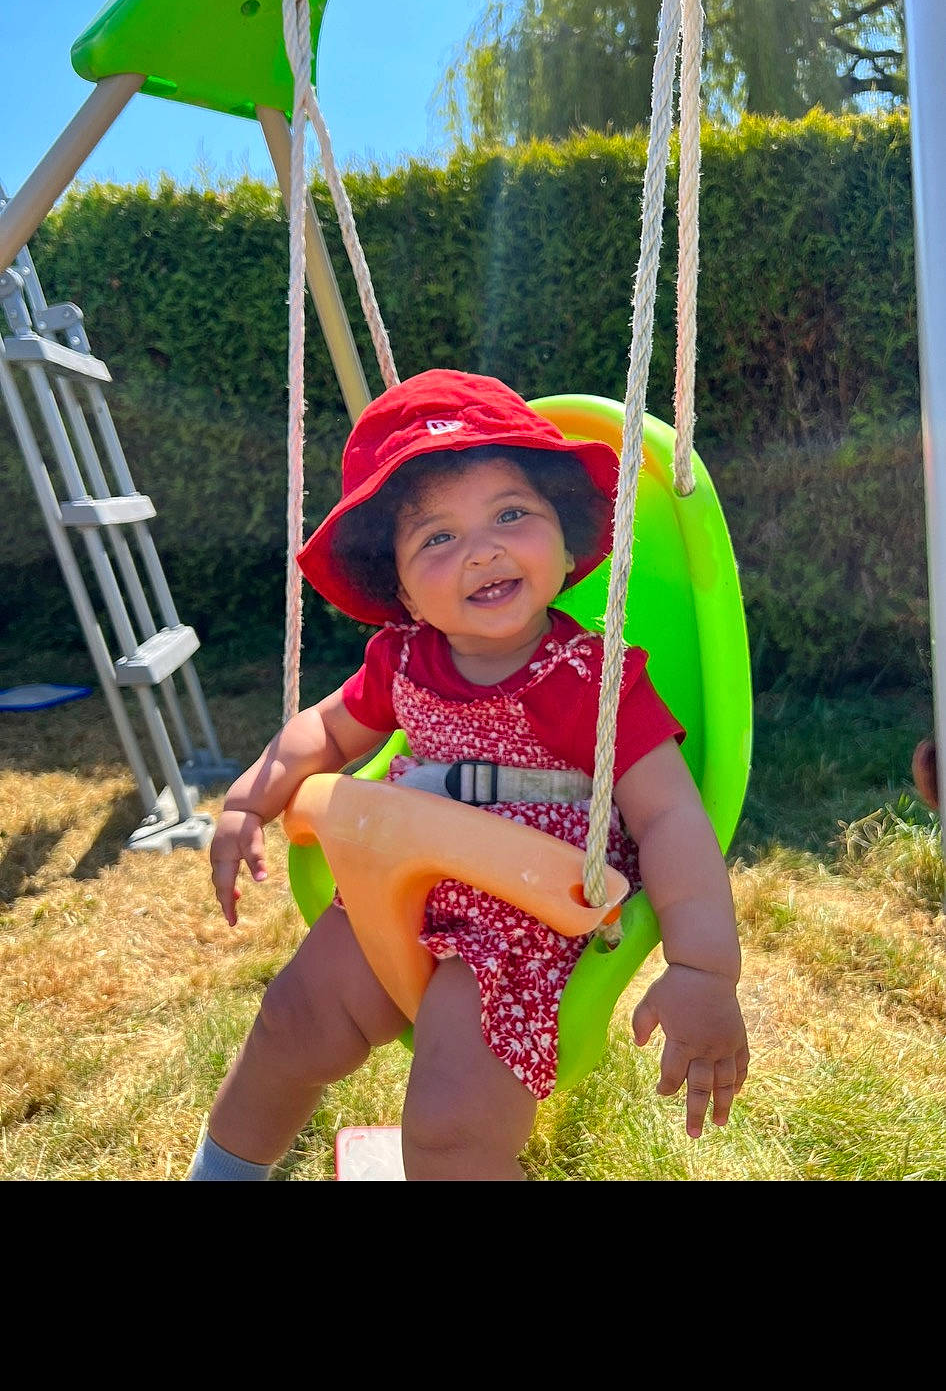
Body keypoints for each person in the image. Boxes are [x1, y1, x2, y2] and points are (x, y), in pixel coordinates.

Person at [188, 368, 749, 1182]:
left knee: (450, 1137)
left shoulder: (589, 681)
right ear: (402, 589)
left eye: (511, 515)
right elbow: (326, 728)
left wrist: (702, 968)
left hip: (518, 927)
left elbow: (668, 816)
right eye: (437, 539)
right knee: (288, 1024)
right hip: (395, 891)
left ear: (566, 535)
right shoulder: (403, 659)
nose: (482, 549)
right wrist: (248, 800)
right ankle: (222, 1172)